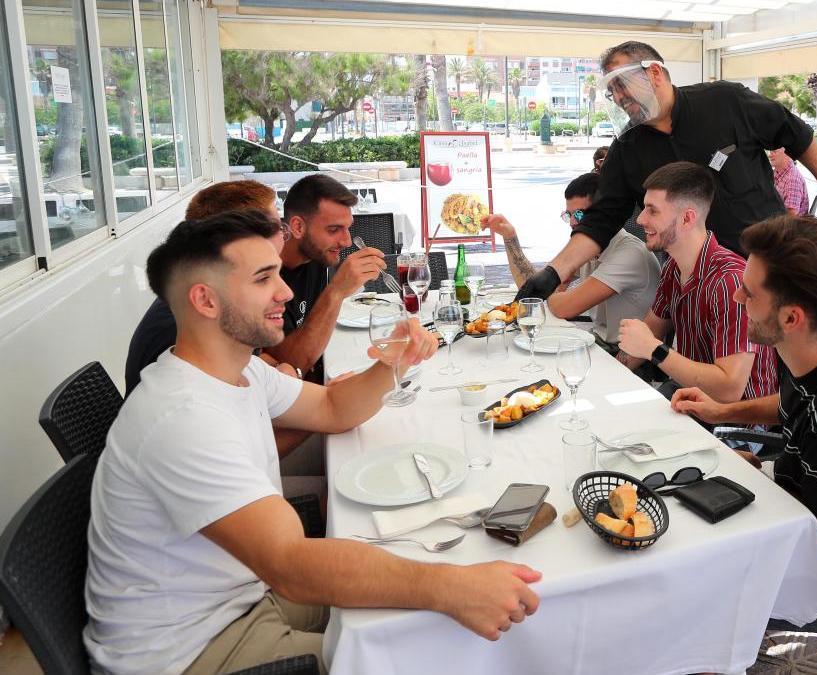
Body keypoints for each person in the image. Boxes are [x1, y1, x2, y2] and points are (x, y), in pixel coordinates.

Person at [85, 212, 542, 675]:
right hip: (190, 649)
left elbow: (331, 410)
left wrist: (392, 364)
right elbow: (291, 563)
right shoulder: (182, 417)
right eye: (264, 279)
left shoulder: (237, 369)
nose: (286, 292)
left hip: (243, 595)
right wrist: (451, 588)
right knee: (432, 648)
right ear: (205, 300)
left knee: (418, 607)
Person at [670, 214, 817, 592]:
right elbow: (797, 400)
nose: (736, 297)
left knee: (669, 565)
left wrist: (754, 486)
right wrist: (722, 412)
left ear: (792, 317)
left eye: (749, 293)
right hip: (787, 489)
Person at [516, 40, 817, 302]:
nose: (618, 97)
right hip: (695, 285)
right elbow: (600, 223)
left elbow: (795, 134)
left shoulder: (725, 101)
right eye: (612, 91)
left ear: (655, 74)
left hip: (768, 266)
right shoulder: (627, 149)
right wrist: (553, 273)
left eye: (622, 84)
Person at [616, 162, 777, 403]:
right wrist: (608, 370)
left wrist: (654, 350)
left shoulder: (729, 280)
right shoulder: (673, 267)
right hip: (692, 402)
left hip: (734, 429)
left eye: (652, 210)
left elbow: (729, 388)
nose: (640, 219)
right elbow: (651, 331)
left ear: (686, 219)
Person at [125, 180, 290, 393]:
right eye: (276, 227)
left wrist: (274, 369)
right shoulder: (185, 331)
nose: (286, 293)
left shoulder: (207, 293)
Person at [483, 173, 660, 351]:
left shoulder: (630, 254)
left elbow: (562, 308)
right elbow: (533, 293)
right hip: (600, 342)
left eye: (580, 214)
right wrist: (509, 237)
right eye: (569, 215)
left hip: (633, 358)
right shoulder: (588, 246)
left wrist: (550, 292)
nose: (573, 222)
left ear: (603, 215)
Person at [263, 174, 387, 382]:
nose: (347, 241)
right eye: (334, 229)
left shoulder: (316, 257)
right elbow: (291, 366)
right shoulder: (266, 277)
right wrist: (336, 291)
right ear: (298, 227)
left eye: (348, 228)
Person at [769, 147, 809, 216]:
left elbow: (791, 215)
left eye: (774, 151)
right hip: (778, 220)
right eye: (770, 152)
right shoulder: (778, 171)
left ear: (787, 153)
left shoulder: (792, 179)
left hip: (790, 225)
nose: (770, 155)